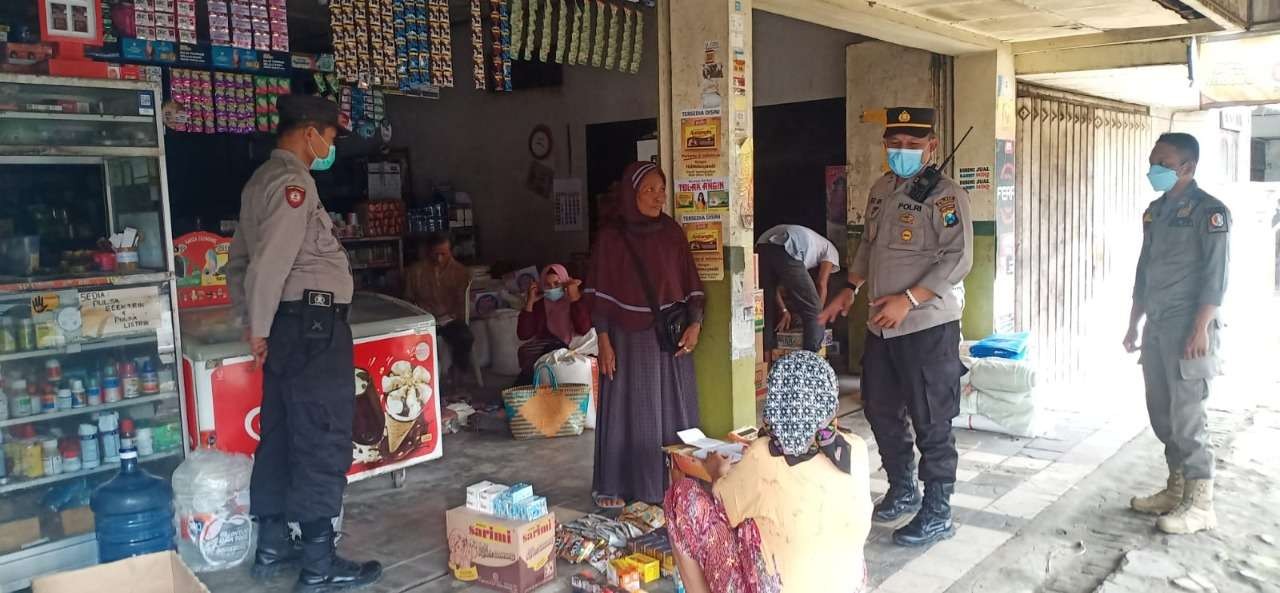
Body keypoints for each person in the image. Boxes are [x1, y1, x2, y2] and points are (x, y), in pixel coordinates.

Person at [226, 95, 381, 591]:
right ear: (309, 131)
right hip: (312, 327)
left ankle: (273, 546)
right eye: (331, 137)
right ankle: (318, 564)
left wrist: (256, 323)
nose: (330, 147)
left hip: (291, 329)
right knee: (321, 435)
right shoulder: (293, 183)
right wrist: (258, 329)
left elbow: (239, 264)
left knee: (283, 435)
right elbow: (269, 264)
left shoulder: (259, 183)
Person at [819, 106, 973, 547]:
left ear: (932, 147)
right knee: (881, 408)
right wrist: (849, 289)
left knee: (932, 418)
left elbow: (959, 259)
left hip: (926, 326)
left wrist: (908, 301)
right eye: (895, 145)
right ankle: (903, 488)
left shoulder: (945, 196)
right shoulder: (882, 189)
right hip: (883, 327)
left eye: (912, 145)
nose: (902, 152)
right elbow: (868, 246)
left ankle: (938, 509)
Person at [664, 351, 872, 593]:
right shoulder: (853, 448)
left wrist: (717, 472)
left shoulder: (764, 455)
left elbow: (722, 505)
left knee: (682, 497)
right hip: (848, 585)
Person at [1124, 132, 1230, 535]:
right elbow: (1144, 270)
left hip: (1190, 330)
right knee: (1162, 413)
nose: (1154, 169)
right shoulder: (1155, 212)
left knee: (1187, 419)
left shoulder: (1210, 212)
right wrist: (1134, 321)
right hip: (1157, 327)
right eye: (1153, 161)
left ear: (1187, 167)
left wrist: (1201, 327)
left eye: (1163, 163)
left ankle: (1201, 504)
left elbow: (1216, 277)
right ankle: (1177, 487)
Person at [586, 161, 705, 508]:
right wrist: (604, 341)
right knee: (628, 412)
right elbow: (600, 297)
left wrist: (695, 325)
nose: (658, 197)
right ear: (632, 193)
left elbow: (691, 284)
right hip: (627, 340)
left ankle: (671, 484)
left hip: (670, 339)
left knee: (672, 410)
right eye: (649, 190)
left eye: (661, 189)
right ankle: (622, 485)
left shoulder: (671, 232)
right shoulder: (612, 238)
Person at [756, 224, 840, 353]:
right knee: (814, 309)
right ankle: (810, 361)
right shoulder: (831, 250)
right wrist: (819, 314)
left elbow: (775, 290)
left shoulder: (812, 248)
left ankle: (765, 360)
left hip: (762, 244)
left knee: (765, 304)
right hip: (790, 243)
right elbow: (821, 283)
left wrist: (784, 310)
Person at [404, 234, 474, 383]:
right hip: (424, 320)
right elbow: (407, 300)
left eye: (444, 254)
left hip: (450, 320)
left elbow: (463, 303)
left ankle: (458, 376)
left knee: (464, 337)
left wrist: (451, 315)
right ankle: (423, 381)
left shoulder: (461, 272)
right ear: (428, 252)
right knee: (410, 342)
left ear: (451, 251)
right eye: (435, 254)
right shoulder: (415, 271)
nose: (439, 259)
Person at [516, 264, 591, 385]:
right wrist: (529, 302)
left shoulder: (575, 301)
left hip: (571, 348)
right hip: (545, 351)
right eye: (547, 285)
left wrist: (574, 297)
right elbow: (523, 334)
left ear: (565, 282)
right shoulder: (540, 304)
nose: (552, 288)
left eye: (557, 284)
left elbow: (583, 328)